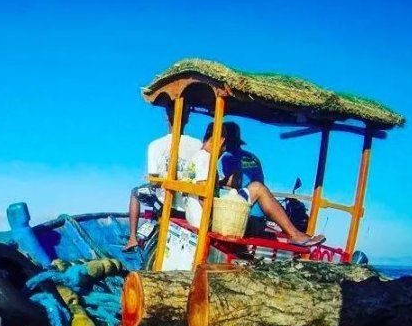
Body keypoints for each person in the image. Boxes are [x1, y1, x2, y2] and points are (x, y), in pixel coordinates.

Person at [185, 122, 325, 247]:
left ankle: (294, 234)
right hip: (212, 221)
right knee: (258, 187)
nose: (223, 150)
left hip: (195, 217)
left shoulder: (198, 158)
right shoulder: (246, 157)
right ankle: (294, 234)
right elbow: (205, 197)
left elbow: (231, 182)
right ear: (221, 141)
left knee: (256, 188)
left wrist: (220, 183)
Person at [122, 104, 202, 251]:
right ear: (187, 119)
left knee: (135, 192)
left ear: (166, 118)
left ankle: (132, 238)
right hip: (189, 204)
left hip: (165, 202)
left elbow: (154, 181)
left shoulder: (156, 145)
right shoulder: (198, 145)